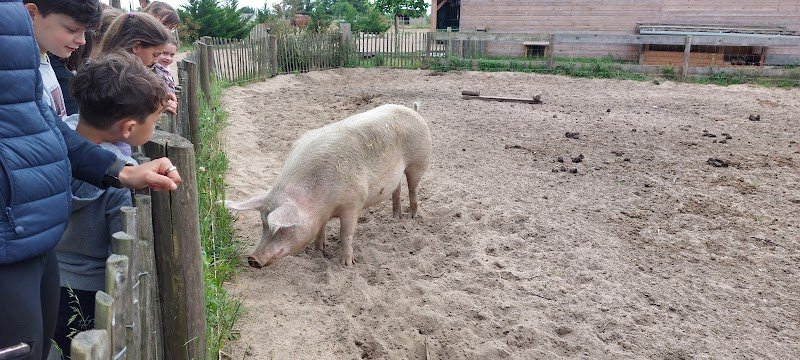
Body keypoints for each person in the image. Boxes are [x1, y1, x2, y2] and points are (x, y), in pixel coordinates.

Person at [0, 1, 181, 359]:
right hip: (13, 235)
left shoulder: (16, 30)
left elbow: (44, 126)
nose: (82, 42)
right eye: (72, 29)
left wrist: (121, 171)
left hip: (38, 237)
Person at [52, 52, 169, 359]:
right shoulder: (121, 179)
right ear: (128, 128)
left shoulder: (54, 140)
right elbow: (120, 250)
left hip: (48, 278)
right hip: (92, 292)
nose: (156, 127)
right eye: (155, 121)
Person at [99, 12, 177, 114]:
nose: (156, 61)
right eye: (155, 54)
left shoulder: (106, 72)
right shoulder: (121, 83)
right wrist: (156, 108)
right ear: (136, 47)